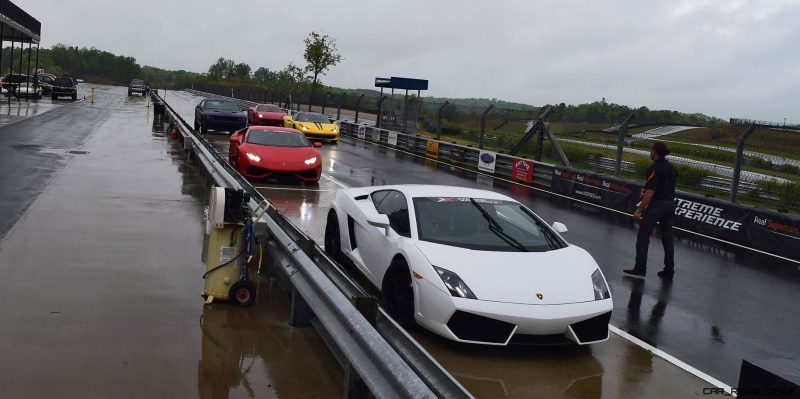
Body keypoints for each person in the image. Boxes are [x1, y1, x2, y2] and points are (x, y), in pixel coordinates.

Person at [623, 142, 678, 279]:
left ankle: (640, 268)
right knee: (667, 238)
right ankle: (669, 269)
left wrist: (639, 210)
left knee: (643, 235)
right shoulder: (672, 168)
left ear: (655, 152)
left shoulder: (654, 168)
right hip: (670, 205)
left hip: (657, 205)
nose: (650, 153)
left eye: (651, 150)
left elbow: (650, 192)